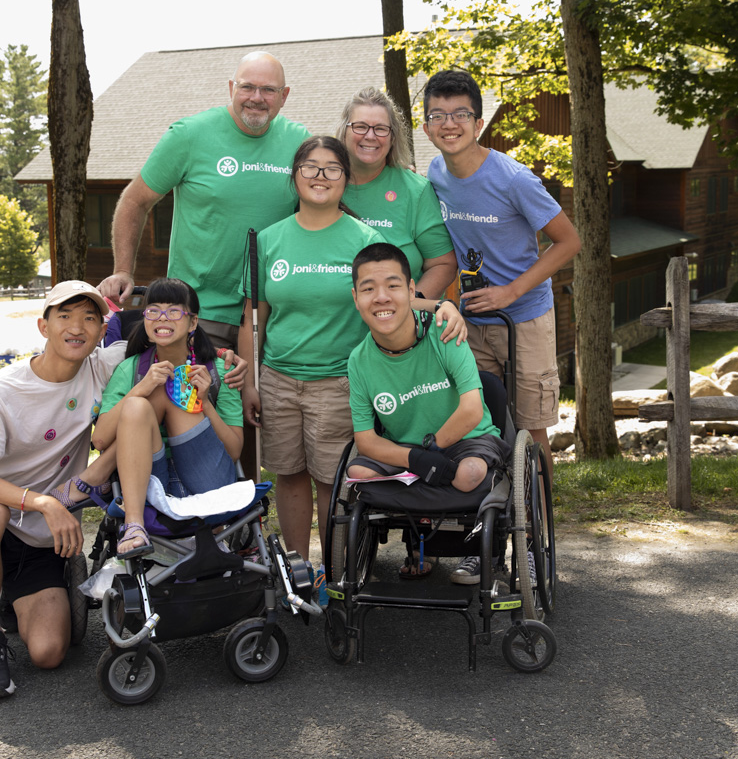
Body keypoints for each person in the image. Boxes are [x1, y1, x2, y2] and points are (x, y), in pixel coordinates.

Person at [237, 136, 466, 589]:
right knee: (289, 474)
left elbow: (393, 301)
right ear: (295, 175)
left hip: (340, 381)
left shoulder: (365, 240)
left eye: (331, 168)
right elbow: (252, 317)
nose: (320, 176)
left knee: (332, 481)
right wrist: (251, 382)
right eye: (310, 167)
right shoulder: (268, 239)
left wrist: (442, 307)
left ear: (345, 179)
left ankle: (336, 572)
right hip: (280, 379)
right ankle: (297, 572)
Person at [421, 69, 580, 584]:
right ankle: (482, 539)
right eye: (439, 115)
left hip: (524, 318)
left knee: (530, 433)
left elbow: (568, 241)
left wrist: (512, 290)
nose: (450, 124)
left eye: (460, 115)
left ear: (479, 121)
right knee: (481, 431)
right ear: (426, 125)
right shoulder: (435, 175)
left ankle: (532, 543)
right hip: (470, 323)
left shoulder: (513, 178)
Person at [0, 281, 125, 700]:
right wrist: (42, 501)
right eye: (65, 316)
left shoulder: (104, 368)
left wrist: (222, 358)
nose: (77, 327)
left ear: (102, 332)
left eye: (90, 318)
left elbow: (164, 337)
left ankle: (16, 597)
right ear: (43, 326)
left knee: (48, 653)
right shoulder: (0, 390)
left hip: (39, 541)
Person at [98, 51, 310, 350]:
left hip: (269, 315)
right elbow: (134, 201)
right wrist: (123, 270)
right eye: (247, 86)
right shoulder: (190, 135)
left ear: (284, 95)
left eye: (269, 90)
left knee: (258, 399)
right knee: (194, 397)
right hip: (198, 313)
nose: (256, 97)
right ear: (231, 88)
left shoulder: (300, 142)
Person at [345, 242, 508, 580]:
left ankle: (455, 542)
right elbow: (365, 441)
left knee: (470, 474)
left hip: (465, 438)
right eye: (368, 289)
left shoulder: (444, 332)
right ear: (355, 298)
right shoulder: (359, 361)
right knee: (358, 476)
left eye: (392, 286)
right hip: (405, 448)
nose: (381, 298)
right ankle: (423, 535)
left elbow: (472, 410)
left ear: (410, 290)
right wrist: (416, 459)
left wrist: (434, 448)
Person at [91, 278, 243, 558]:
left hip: (208, 477)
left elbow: (234, 451)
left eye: (174, 311)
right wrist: (140, 389)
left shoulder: (220, 369)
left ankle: (92, 478)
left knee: (178, 386)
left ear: (193, 322)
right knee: (137, 405)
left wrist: (205, 403)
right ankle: (134, 524)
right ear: (145, 318)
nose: (162, 318)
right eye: (153, 311)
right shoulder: (131, 368)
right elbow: (100, 438)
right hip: (151, 476)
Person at [335, 87, 457, 299]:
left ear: (393, 136)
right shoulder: (323, 184)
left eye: (381, 129)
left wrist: (405, 309)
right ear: (344, 131)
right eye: (360, 126)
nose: (370, 136)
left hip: (396, 328)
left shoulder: (415, 191)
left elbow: (443, 263)